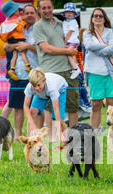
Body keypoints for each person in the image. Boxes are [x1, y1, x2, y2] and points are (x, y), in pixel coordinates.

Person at [33, 0, 79, 136]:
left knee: (72, 104)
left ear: (53, 8)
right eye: (43, 8)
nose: (46, 10)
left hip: (68, 70)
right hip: (50, 71)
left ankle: (73, 135)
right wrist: (67, 52)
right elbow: (45, 48)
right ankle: (52, 136)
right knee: (49, 106)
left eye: (49, 7)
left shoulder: (61, 24)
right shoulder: (38, 26)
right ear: (39, 10)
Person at [1, 4, 39, 140]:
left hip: (36, 72)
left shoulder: (39, 29)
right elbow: (6, 46)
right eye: (26, 13)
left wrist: (27, 46)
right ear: (22, 14)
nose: (29, 15)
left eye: (31, 13)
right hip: (18, 73)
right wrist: (15, 46)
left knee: (36, 106)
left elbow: (43, 49)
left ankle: (34, 133)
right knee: (17, 106)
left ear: (35, 14)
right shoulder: (16, 26)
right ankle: (18, 134)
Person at [83, 8, 113, 131]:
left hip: (110, 73)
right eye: (95, 16)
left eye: (100, 16)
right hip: (94, 74)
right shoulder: (87, 33)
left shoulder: (110, 31)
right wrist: (106, 46)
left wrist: (99, 49)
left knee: (112, 104)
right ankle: (93, 132)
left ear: (104, 18)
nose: (98, 18)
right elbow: (89, 46)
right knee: (95, 104)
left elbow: (112, 50)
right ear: (92, 19)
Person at [23, 68, 67, 143]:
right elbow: (25, 106)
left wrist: (59, 131)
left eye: (38, 85)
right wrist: (33, 125)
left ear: (44, 81)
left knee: (59, 120)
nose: (36, 88)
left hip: (60, 89)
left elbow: (56, 110)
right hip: (42, 94)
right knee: (32, 111)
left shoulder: (52, 88)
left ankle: (65, 141)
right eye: (34, 86)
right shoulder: (30, 87)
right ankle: (29, 140)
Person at [0, 0, 31, 81]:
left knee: (15, 55)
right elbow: (19, 29)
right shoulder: (15, 20)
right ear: (13, 12)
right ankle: (27, 66)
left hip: (12, 40)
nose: (19, 12)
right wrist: (22, 21)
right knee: (23, 52)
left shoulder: (7, 22)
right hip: (18, 39)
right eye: (17, 10)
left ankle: (12, 69)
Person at [61, 2, 82, 80]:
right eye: (67, 12)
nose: (69, 13)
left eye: (71, 12)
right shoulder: (65, 22)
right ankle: (75, 67)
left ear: (74, 13)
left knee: (68, 54)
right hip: (69, 41)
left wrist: (64, 42)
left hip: (72, 41)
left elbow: (69, 32)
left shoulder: (73, 22)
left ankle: (75, 69)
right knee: (71, 55)